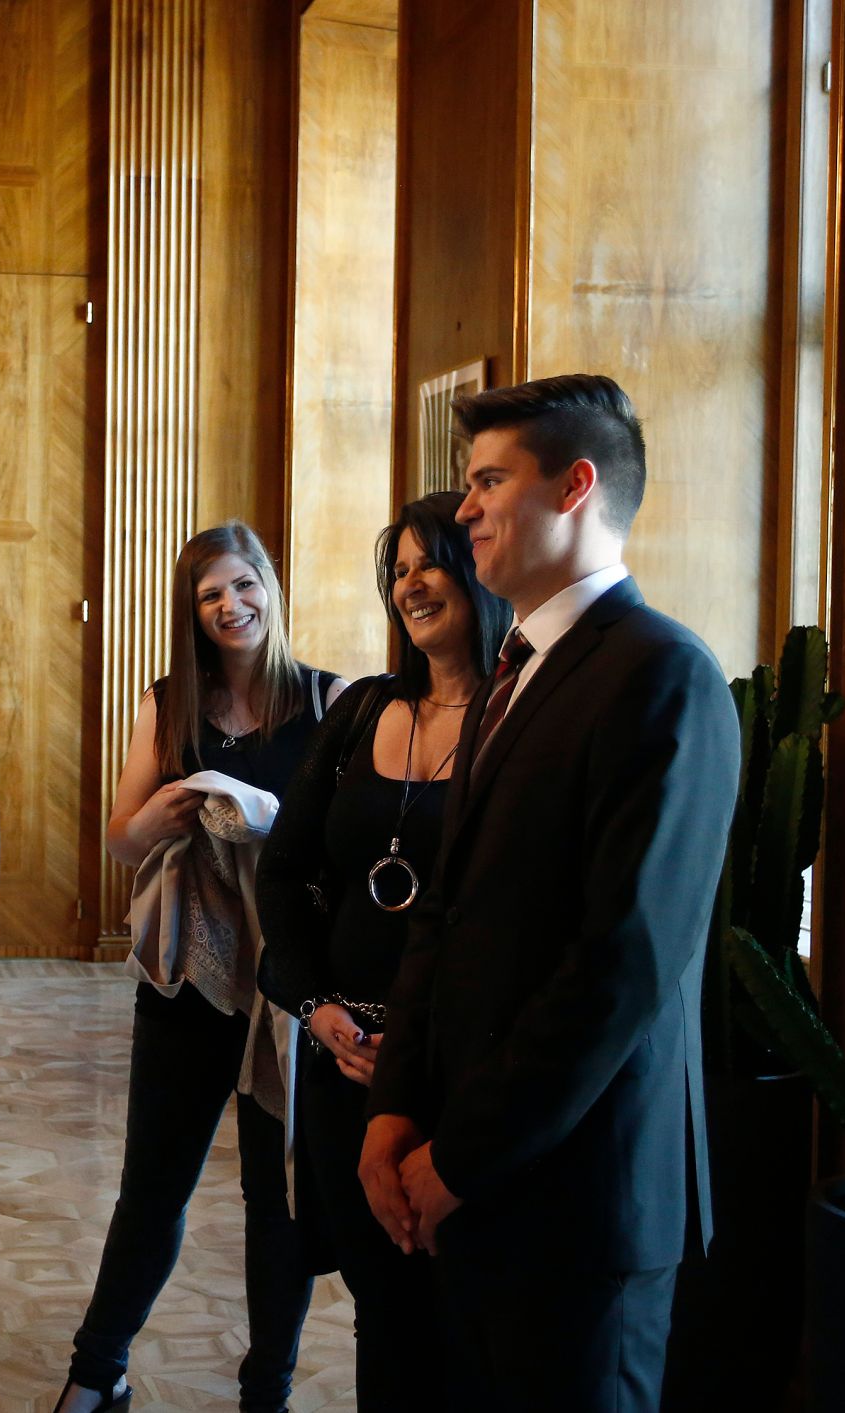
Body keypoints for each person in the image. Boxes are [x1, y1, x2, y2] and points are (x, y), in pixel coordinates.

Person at [357, 375, 743, 1411]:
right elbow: (443, 915)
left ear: (574, 487)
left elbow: (621, 965)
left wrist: (462, 1156)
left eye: (489, 481)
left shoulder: (663, 674)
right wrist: (395, 1106)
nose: (465, 509)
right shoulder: (513, 670)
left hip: (583, 1204)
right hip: (469, 1181)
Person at [57, 521, 343, 1413]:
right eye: (211, 593)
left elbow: (345, 844)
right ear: (193, 611)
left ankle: (269, 1390)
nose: (231, 604)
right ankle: (95, 1373)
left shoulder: (334, 701)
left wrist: (266, 815)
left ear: (270, 587)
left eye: (244, 584)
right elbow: (121, 839)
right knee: (152, 1189)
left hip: (289, 988)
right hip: (188, 981)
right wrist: (163, 813)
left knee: (276, 1196)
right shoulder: (169, 703)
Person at [256, 491, 506, 1410]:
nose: (411, 584)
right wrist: (314, 1004)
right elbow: (284, 870)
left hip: (454, 1071)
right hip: (343, 1063)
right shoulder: (362, 709)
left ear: (479, 569)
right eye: (398, 570)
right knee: (379, 1298)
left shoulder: (518, 716)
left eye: (430, 561)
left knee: (456, 1301)